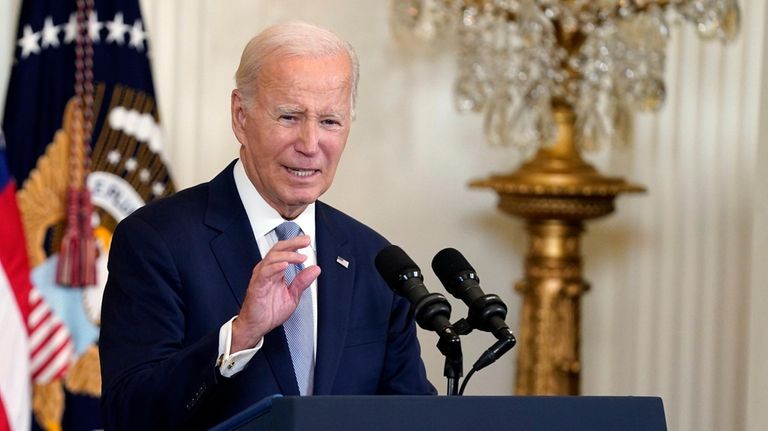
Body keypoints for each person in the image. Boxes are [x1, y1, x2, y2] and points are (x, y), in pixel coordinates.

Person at [99, 21, 435, 430]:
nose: (310, 144)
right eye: (290, 117)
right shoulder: (156, 240)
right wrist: (239, 336)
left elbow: (411, 416)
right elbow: (130, 412)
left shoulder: (375, 261)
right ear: (241, 116)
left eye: (330, 121)